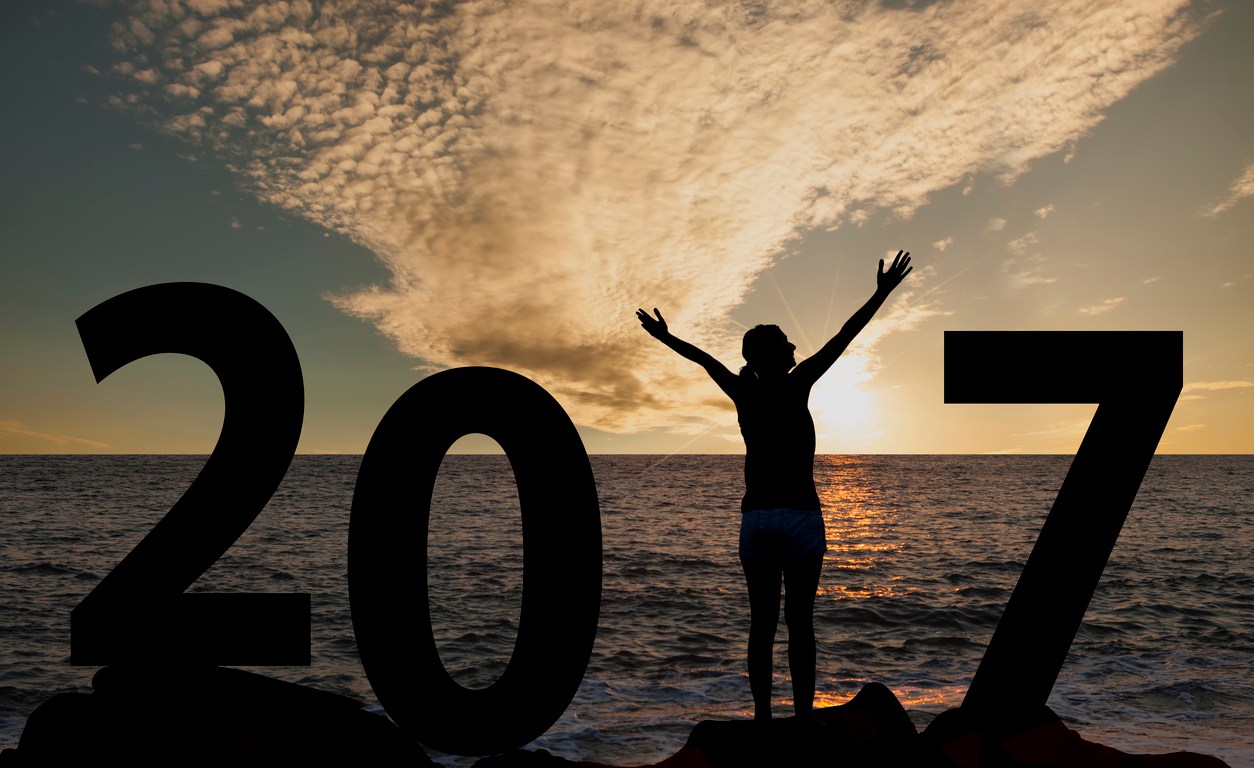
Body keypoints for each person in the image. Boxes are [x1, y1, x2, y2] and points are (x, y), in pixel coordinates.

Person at [636, 250, 913, 720]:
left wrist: (666, 338)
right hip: (801, 515)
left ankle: (764, 719)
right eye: (787, 343)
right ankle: (802, 718)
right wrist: (881, 293)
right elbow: (844, 336)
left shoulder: (744, 390)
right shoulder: (797, 382)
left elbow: (702, 359)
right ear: (772, 354)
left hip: (758, 518)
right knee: (799, 625)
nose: (795, 349)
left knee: (761, 625)